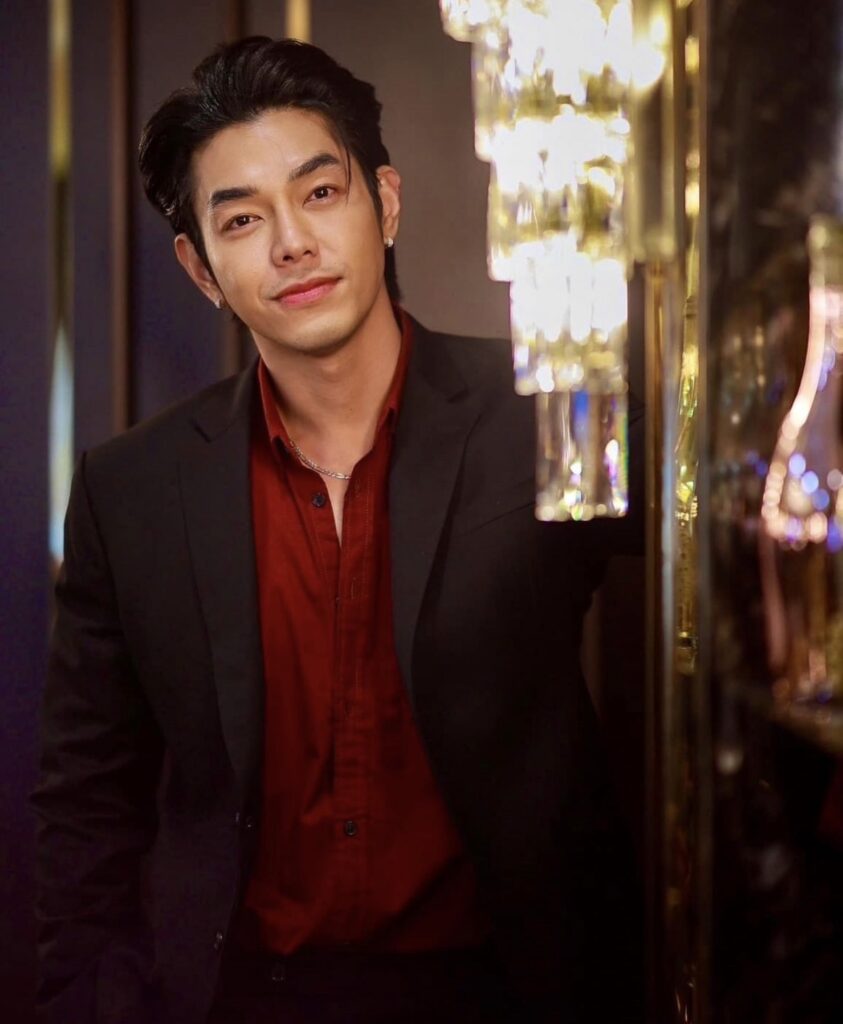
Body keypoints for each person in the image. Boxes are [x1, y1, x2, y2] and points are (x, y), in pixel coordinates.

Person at [33, 36, 645, 1024]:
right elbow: (86, 803)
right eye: (242, 219)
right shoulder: (131, 489)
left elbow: (722, 579)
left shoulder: (547, 414)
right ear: (200, 267)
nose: (291, 243)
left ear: (385, 202)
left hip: (501, 988)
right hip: (244, 996)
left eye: (320, 193)